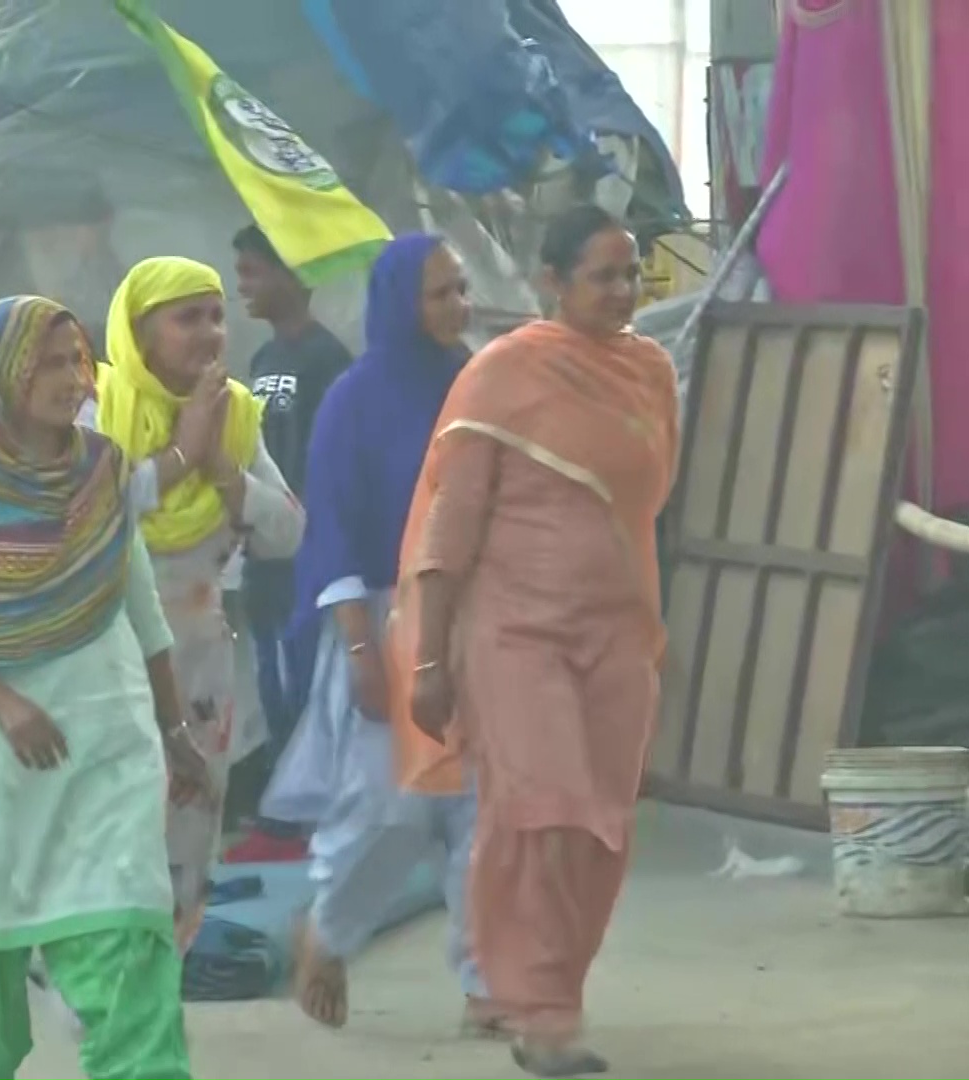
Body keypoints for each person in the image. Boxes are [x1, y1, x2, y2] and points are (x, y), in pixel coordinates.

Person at [0, 296, 208, 1080]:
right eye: (50, 362)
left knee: (128, 941)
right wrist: (7, 705)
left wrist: (173, 731)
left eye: (77, 359)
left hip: (107, 744)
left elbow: (142, 611)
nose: (73, 379)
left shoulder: (101, 472)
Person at [392, 206, 678, 1077]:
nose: (624, 291)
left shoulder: (650, 370)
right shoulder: (503, 373)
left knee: (601, 828)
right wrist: (433, 660)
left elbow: (643, 504)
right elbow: (453, 523)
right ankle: (537, 1011)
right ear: (554, 282)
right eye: (605, 275)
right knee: (541, 810)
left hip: (618, 633)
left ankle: (540, 990)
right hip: (515, 635)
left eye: (632, 274)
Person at [278, 234, 489, 1034]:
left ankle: (486, 983)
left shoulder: (477, 385)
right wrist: (362, 648)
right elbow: (330, 526)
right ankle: (325, 932)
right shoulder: (354, 400)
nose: (459, 308)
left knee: (482, 811)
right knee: (388, 807)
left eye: (463, 291)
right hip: (382, 619)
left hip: (472, 619)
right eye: (441, 294)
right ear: (401, 301)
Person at [91, 255, 306, 950]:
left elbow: (289, 533)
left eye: (217, 316)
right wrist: (179, 457)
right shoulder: (97, 411)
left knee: (189, 837)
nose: (211, 332)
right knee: (113, 826)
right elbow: (85, 517)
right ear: (141, 331)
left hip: (201, 667)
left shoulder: (235, 417)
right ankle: (103, 983)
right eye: (188, 317)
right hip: (108, 659)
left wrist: (219, 466)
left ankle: (163, 978)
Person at [226, 223, 353, 858]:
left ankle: (303, 819)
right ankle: (283, 813)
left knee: (306, 685)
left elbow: (332, 465)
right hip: (263, 556)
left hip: (308, 559)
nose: (242, 286)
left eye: (253, 272)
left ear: (292, 275)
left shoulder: (327, 361)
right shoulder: (261, 362)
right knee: (273, 686)